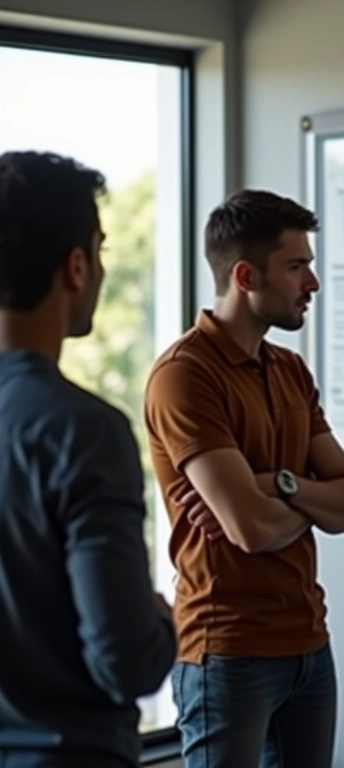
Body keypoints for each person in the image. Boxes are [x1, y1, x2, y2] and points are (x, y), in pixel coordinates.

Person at [144, 189, 344, 768]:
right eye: (296, 267)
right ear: (246, 276)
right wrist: (299, 502)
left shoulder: (291, 370)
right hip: (228, 652)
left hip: (309, 645)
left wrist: (275, 484)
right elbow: (250, 529)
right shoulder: (184, 376)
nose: (312, 283)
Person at [0, 151, 176, 768]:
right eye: (100, 252)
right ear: (75, 266)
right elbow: (126, 662)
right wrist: (164, 621)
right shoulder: (82, 431)